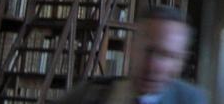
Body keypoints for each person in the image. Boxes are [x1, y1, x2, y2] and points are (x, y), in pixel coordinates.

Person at [57, 6, 205, 103]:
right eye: (148, 50)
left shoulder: (191, 101)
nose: (153, 66)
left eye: (166, 55)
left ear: (181, 61)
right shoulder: (90, 95)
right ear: (129, 48)